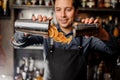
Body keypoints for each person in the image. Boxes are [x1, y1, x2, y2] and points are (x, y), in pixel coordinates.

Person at [12, 0, 119, 80]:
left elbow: (114, 50)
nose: (63, 15)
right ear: (54, 11)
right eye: (58, 9)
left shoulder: (86, 36)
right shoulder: (47, 32)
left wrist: (102, 34)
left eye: (68, 9)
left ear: (76, 11)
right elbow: (16, 43)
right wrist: (28, 29)